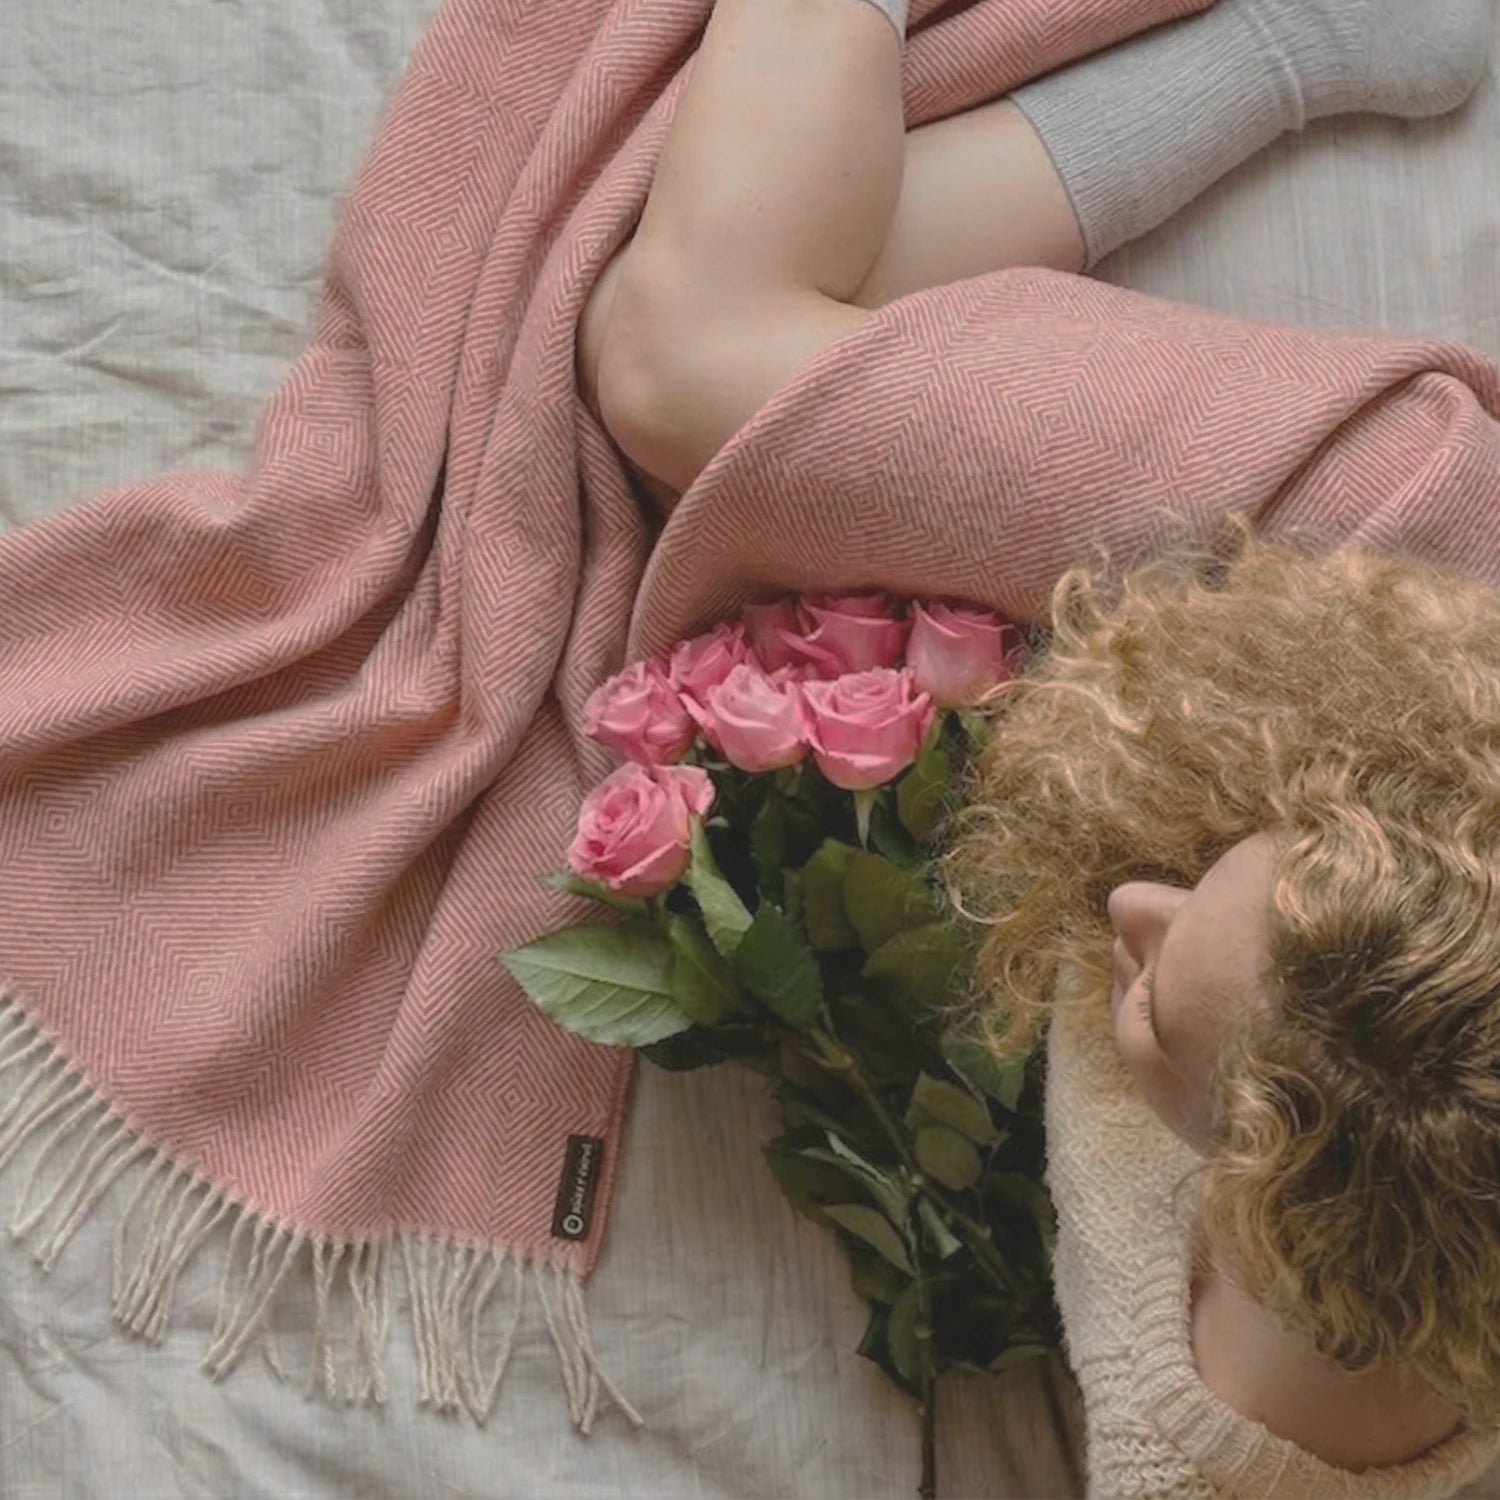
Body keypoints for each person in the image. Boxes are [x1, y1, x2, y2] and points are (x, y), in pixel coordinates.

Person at [573, 0, 1500, 1490]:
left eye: (1149, 1009)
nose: (1133, 909)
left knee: (779, 316)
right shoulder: (1385, 558)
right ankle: (1288, 45)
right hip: (1410, 561)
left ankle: (1294, 41)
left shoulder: (1255, 1391)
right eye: (1250, 876)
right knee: (669, 353)